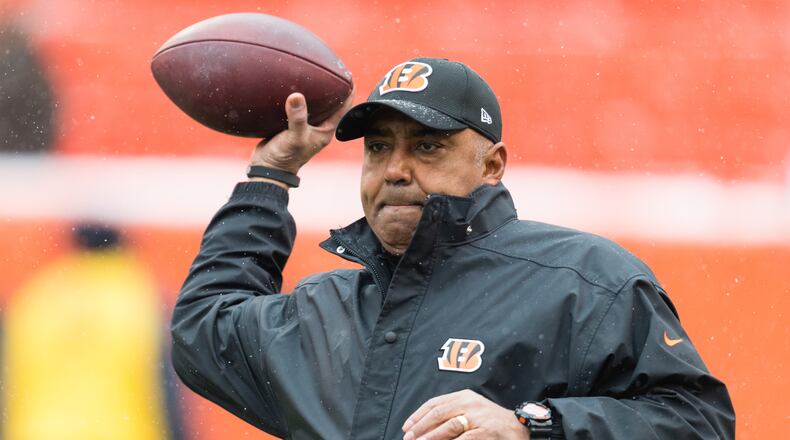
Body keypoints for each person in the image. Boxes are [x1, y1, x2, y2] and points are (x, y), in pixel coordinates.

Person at [171, 58, 734, 439]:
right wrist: (271, 174)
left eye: (428, 146)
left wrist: (534, 425)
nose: (394, 170)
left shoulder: (586, 281)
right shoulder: (324, 310)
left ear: (492, 164)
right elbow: (202, 329)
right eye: (378, 148)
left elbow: (700, 422)